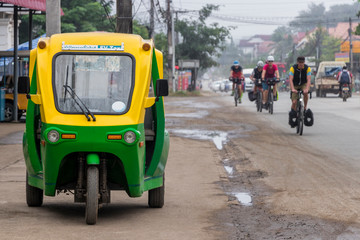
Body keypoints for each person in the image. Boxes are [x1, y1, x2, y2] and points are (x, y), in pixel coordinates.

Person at [288, 56, 311, 127]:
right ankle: (293, 114)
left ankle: (304, 108)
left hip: (303, 84)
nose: (301, 64)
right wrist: (292, 89)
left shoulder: (307, 68)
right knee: (294, 102)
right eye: (300, 63)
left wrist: (306, 89)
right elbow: (290, 79)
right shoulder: (293, 68)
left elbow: (309, 79)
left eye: (302, 63)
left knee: (306, 93)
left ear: (304, 62)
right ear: (297, 62)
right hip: (295, 85)